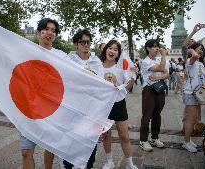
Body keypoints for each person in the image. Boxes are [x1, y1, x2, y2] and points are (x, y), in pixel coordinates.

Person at [0, 16, 70, 169]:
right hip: (28, 110)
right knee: (25, 151)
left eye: (53, 31)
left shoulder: (61, 56)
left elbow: (78, 75)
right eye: (46, 29)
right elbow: (3, 50)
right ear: (39, 32)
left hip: (51, 111)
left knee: (50, 148)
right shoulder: (24, 50)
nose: (50, 33)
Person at [61, 29, 103, 169]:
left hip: (91, 111)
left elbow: (102, 85)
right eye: (82, 42)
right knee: (71, 143)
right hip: (73, 110)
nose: (86, 44)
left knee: (90, 144)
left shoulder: (96, 61)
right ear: (76, 44)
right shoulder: (67, 60)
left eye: (88, 42)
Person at [100, 39, 137, 169]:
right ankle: (109, 161)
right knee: (105, 135)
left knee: (124, 136)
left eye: (116, 49)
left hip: (119, 103)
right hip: (104, 106)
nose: (112, 51)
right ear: (105, 50)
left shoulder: (121, 67)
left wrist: (133, 76)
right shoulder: (97, 65)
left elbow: (127, 87)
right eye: (110, 48)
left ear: (118, 53)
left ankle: (130, 163)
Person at [139, 39, 169, 152]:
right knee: (147, 116)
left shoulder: (158, 59)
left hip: (160, 89)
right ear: (148, 48)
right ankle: (143, 140)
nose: (157, 49)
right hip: (149, 90)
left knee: (157, 115)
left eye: (157, 46)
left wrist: (157, 78)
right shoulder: (146, 62)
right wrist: (164, 55)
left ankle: (154, 138)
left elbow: (167, 74)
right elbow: (162, 69)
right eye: (154, 47)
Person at [181, 42, 205, 153]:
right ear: (192, 51)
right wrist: (191, 51)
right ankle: (186, 142)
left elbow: (204, 79)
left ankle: (189, 140)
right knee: (190, 119)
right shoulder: (190, 61)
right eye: (199, 48)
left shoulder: (200, 64)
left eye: (202, 49)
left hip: (198, 94)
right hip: (190, 93)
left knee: (195, 118)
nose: (201, 51)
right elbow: (195, 56)